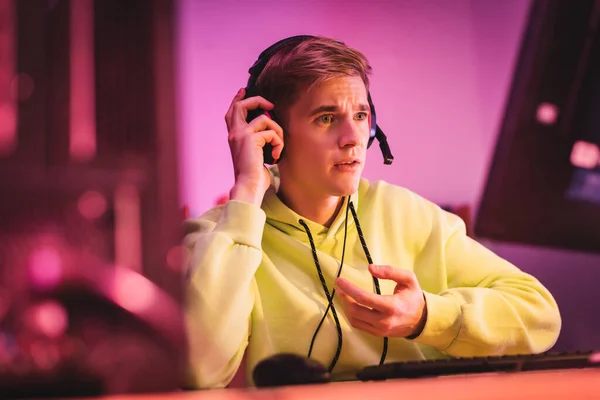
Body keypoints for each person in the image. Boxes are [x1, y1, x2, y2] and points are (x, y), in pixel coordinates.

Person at [183, 35, 561, 389]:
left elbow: (540, 315)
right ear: (271, 134)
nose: (352, 138)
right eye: (326, 118)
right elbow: (199, 369)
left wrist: (426, 318)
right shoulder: (221, 236)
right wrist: (247, 192)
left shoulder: (407, 213)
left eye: (361, 116)